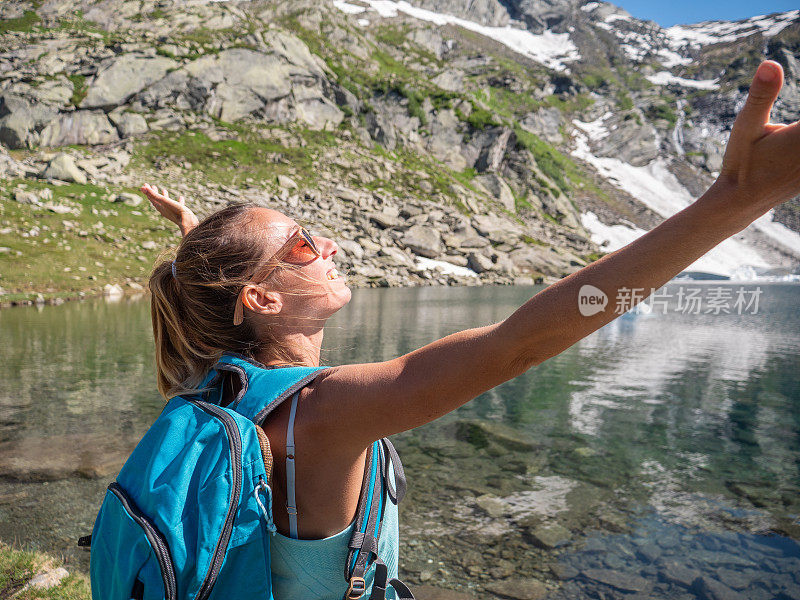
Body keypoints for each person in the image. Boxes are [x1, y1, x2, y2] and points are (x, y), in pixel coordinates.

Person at [141, 60, 800, 599]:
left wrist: (192, 234)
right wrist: (735, 197)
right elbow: (521, 343)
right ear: (259, 297)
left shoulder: (210, 383)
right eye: (306, 245)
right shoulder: (322, 412)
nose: (332, 244)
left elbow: (204, 287)